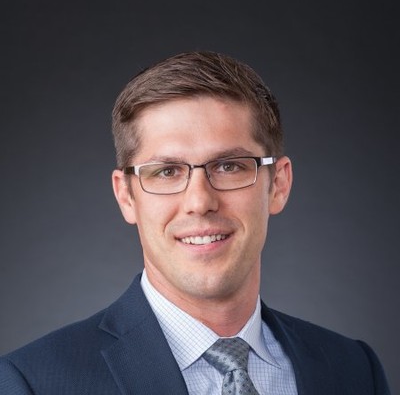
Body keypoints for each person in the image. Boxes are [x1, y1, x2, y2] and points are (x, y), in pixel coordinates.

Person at [0, 51, 390, 394]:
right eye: (167, 171)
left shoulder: (354, 371)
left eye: (230, 166)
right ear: (126, 196)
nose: (200, 202)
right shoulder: (33, 383)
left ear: (279, 185)